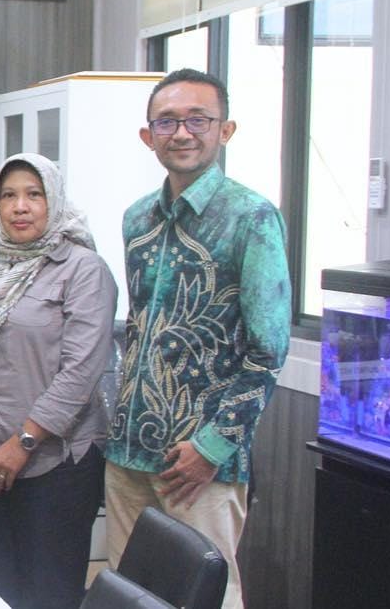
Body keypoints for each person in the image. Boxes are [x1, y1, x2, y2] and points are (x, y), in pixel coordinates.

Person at [105, 68, 291, 609]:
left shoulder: (252, 218)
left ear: (225, 130)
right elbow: (141, 330)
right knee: (129, 594)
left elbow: (268, 351)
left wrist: (212, 447)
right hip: (129, 452)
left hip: (200, 463)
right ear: (148, 136)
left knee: (206, 596)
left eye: (198, 120)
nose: (182, 133)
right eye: (167, 122)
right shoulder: (137, 219)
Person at [0, 153, 117, 609]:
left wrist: (21, 443)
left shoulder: (84, 269)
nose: (19, 206)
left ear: (54, 201)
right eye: (8, 195)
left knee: (47, 596)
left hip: (54, 467)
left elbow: (80, 373)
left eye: (34, 194)